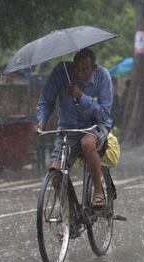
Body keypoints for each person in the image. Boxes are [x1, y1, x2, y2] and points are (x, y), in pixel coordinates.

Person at [36, 48, 112, 206]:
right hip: (68, 128)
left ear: (93, 68)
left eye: (85, 69)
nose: (79, 74)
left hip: (95, 126)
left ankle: (98, 192)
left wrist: (81, 96)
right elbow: (46, 99)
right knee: (56, 171)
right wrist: (42, 120)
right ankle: (70, 218)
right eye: (76, 69)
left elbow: (104, 114)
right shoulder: (62, 71)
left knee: (87, 143)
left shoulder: (103, 76)